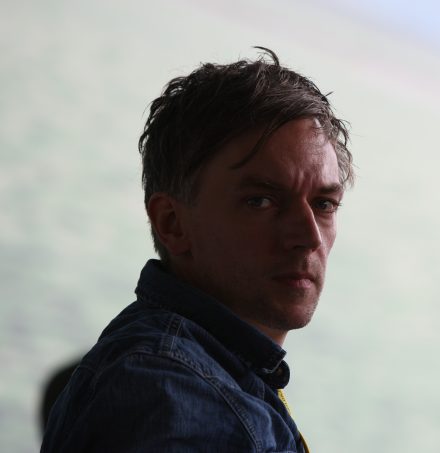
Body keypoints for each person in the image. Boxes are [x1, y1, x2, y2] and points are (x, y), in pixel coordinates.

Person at [41, 47, 354, 452]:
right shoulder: (171, 392)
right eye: (260, 201)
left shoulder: (208, 377)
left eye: (324, 204)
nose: (309, 236)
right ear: (172, 223)